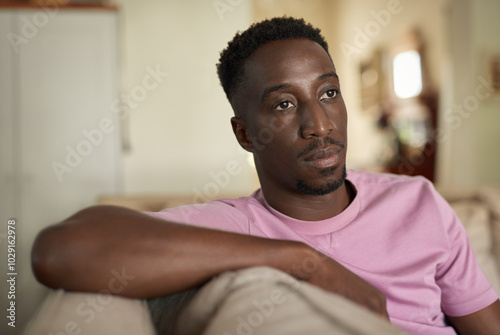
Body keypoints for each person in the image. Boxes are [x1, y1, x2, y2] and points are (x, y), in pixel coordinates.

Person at [32, 17, 500, 334]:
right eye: (283, 104)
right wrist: (305, 261)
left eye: (329, 92)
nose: (319, 123)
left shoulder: (417, 201)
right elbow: (60, 249)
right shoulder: (232, 229)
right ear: (245, 134)